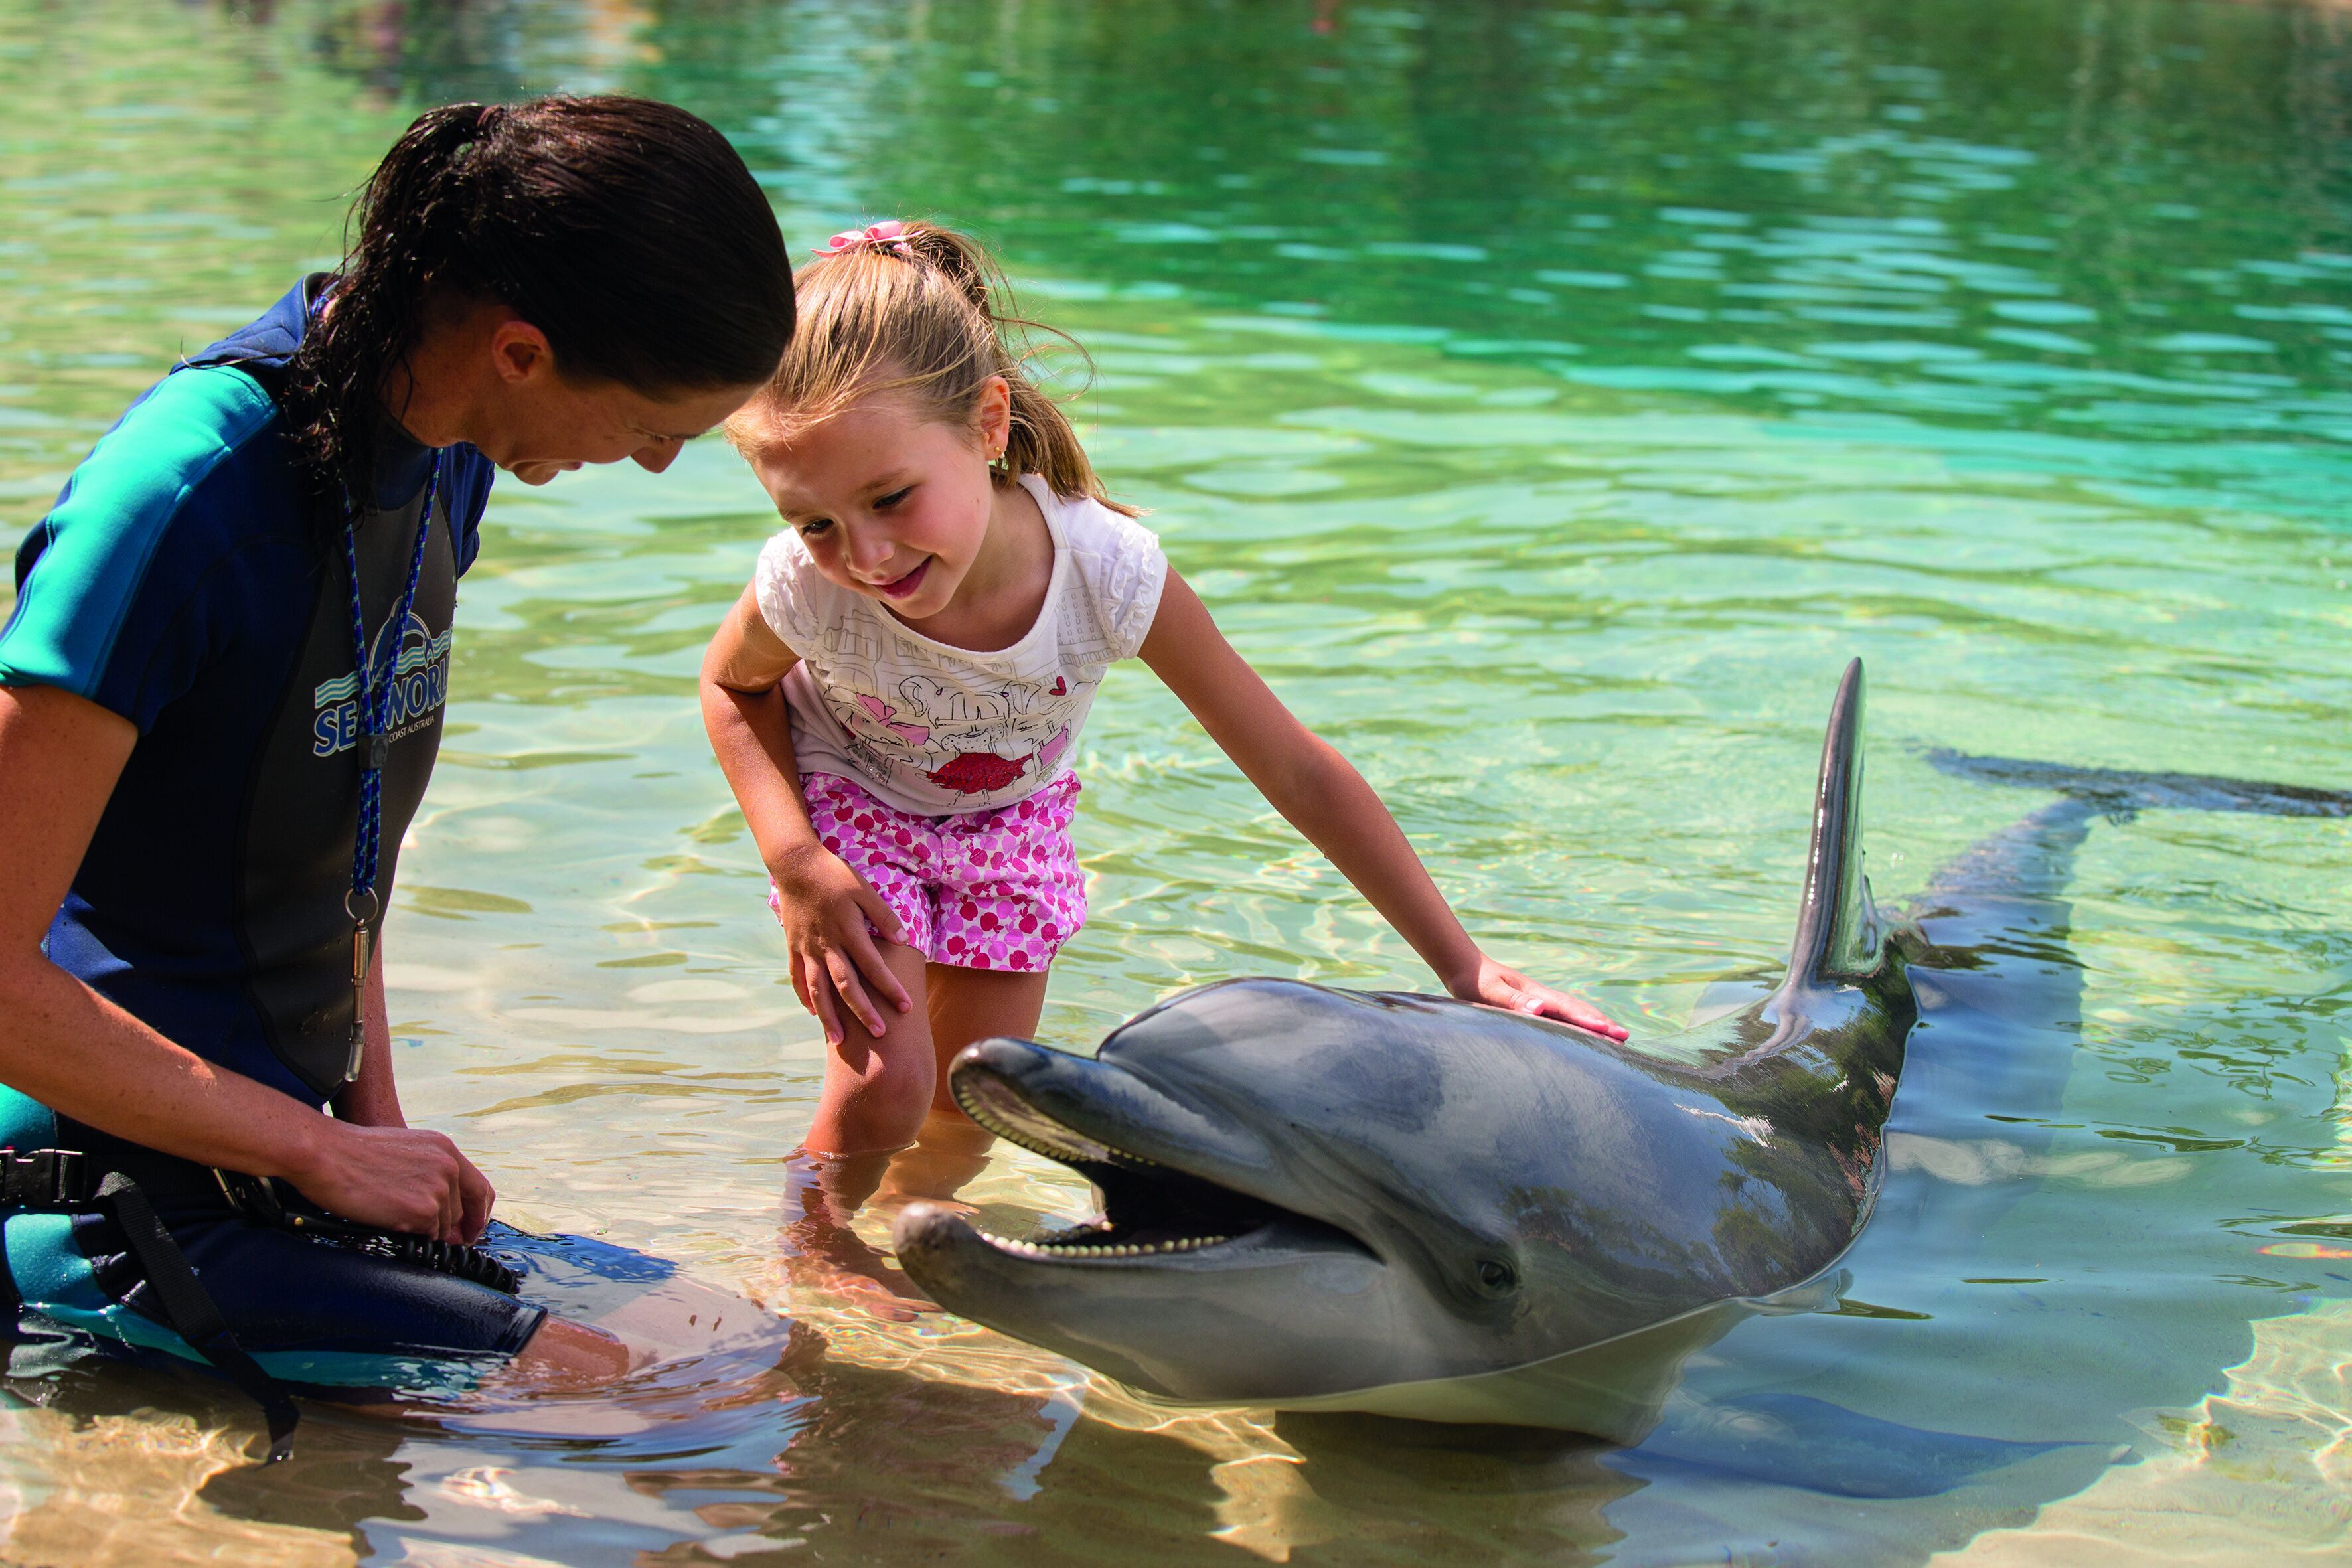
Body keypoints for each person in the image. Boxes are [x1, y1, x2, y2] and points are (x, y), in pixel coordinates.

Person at [0, 95, 793, 1446]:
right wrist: (318, 1149)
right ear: (521, 350)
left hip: (280, 1159)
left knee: (738, 1343)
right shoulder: (179, 500)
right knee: (663, 1405)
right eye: (654, 423)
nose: (658, 463)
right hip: (95, 1189)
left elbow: (337, 833)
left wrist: (376, 1129)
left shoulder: (446, 459)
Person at [701, 220, 1625, 1202]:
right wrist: (796, 861)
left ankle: (908, 1240)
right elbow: (732, 686)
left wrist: (1465, 966)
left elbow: (1293, 768)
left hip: (1006, 826)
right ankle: (810, 1255)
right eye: (816, 521)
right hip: (852, 813)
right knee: (886, 1087)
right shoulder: (809, 583)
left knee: (974, 1099)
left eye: (891, 498)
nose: (865, 555)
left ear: (987, 423)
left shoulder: (1105, 573)